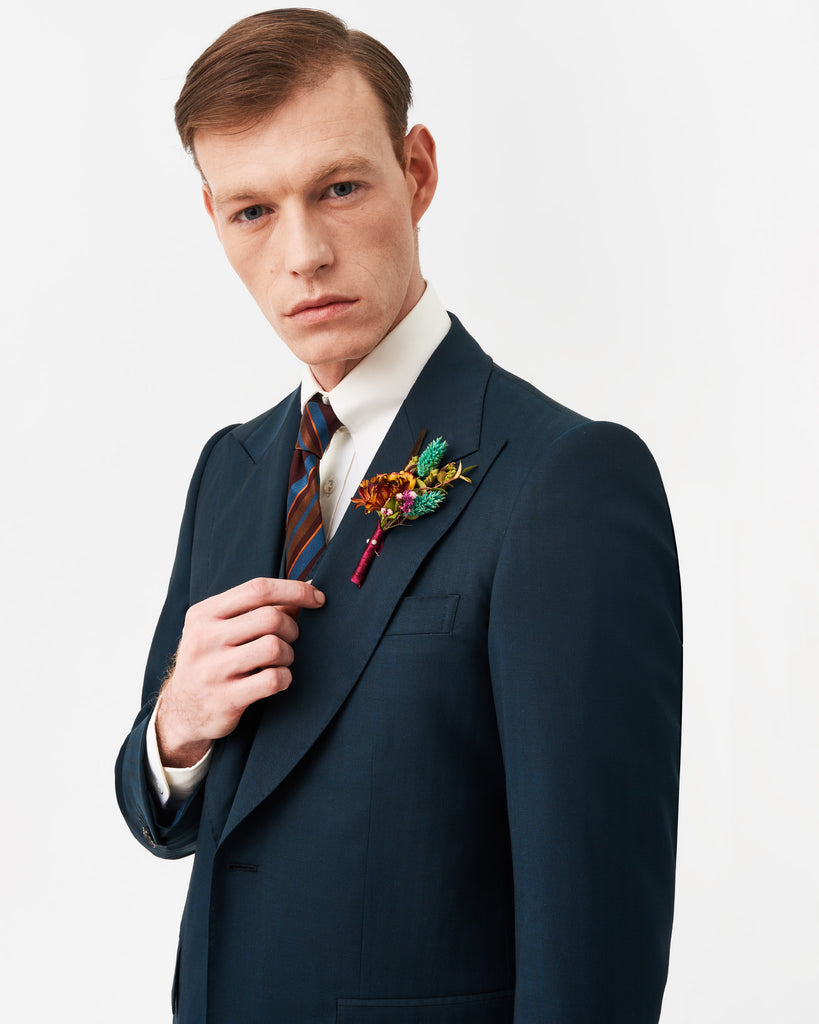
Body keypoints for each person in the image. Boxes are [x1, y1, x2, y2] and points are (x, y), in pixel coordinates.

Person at [115, 9, 682, 1023]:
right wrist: (177, 727)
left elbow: (591, 940)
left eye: (338, 188)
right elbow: (165, 818)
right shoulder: (232, 471)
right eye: (253, 210)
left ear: (416, 171)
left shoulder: (567, 480)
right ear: (213, 218)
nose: (302, 254)